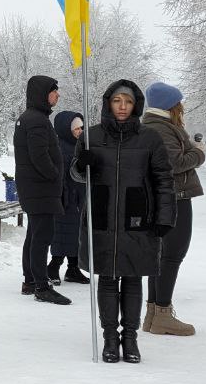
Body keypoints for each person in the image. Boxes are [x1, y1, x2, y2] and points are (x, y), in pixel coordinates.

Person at [72, 80, 174, 364]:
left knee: (132, 277)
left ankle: (130, 338)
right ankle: (109, 338)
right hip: (102, 216)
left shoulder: (150, 138)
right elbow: (77, 175)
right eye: (117, 101)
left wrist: (165, 215)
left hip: (137, 217)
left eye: (127, 102)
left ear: (136, 105)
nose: (122, 107)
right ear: (108, 103)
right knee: (107, 277)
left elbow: (163, 179)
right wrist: (83, 164)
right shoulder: (90, 137)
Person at [141, 82, 204, 336]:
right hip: (175, 197)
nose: (182, 107)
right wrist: (199, 153)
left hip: (166, 198)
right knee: (171, 256)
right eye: (180, 103)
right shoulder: (162, 128)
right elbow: (174, 163)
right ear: (170, 105)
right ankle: (162, 314)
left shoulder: (158, 126)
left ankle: (153, 314)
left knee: (161, 257)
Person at [14, 75, 71, 305]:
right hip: (40, 188)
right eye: (54, 91)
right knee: (42, 236)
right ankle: (41, 286)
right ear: (42, 93)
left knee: (34, 234)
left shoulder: (32, 117)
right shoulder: (36, 120)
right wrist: (55, 174)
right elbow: (39, 156)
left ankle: (30, 280)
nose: (58, 95)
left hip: (34, 187)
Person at [48, 111, 90, 286]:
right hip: (65, 198)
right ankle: (53, 266)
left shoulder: (80, 146)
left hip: (80, 197)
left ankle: (73, 268)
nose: (80, 131)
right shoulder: (58, 147)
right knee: (62, 233)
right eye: (76, 128)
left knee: (77, 233)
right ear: (66, 129)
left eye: (81, 127)